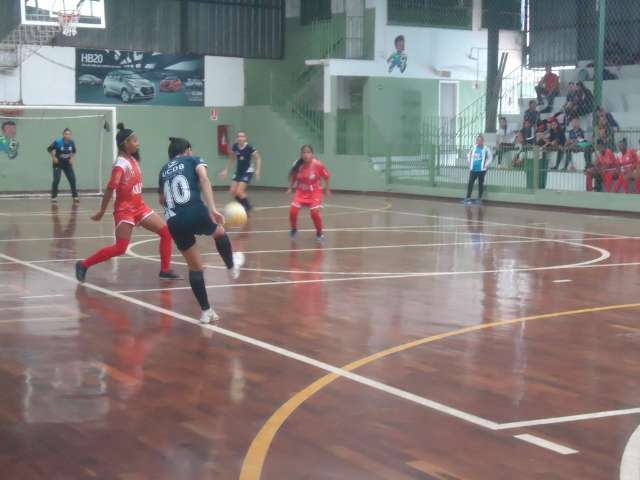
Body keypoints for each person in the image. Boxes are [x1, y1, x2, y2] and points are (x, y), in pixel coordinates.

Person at [75, 123, 179, 282]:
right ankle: (83, 264)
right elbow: (111, 188)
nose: (138, 143)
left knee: (166, 232)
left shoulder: (133, 160)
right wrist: (102, 211)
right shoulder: (120, 164)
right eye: (135, 140)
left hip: (140, 207)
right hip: (125, 210)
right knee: (120, 248)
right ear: (125, 143)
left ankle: (165, 270)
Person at [159, 137, 244, 324]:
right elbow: (204, 179)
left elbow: (162, 200)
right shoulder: (193, 159)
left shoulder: (163, 169)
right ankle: (231, 267)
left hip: (173, 221)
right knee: (220, 232)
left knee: (195, 267)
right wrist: (212, 208)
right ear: (188, 149)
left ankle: (206, 312)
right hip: (194, 210)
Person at [287, 145, 331, 240]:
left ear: (312, 154)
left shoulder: (318, 165)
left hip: (315, 192)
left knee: (314, 212)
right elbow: (293, 177)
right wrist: (290, 188)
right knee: (293, 211)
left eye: (308, 152)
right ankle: (294, 229)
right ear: (301, 154)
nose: (306, 154)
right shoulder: (297, 164)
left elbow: (327, 176)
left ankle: (319, 233)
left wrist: (327, 189)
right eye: (304, 152)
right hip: (301, 192)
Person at [219, 131, 262, 214]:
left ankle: (248, 207)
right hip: (239, 171)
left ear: (245, 138)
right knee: (232, 191)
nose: (240, 138)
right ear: (237, 138)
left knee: (239, 192)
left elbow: (258, 158)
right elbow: (232, 158)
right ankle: (243, 205)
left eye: (242, 136)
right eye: (239, 136)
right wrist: (226, 170)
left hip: (247, 171)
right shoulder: (235, 146)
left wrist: (258, 170)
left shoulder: (249, 147)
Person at [47, 128, 79, 203]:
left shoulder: (72, 142)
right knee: (56, 180)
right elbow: (49, 149)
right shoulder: (58, 142)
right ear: (63, 134)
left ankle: (75, 196)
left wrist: (71, 158)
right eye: (66, 134)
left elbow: (74, 151)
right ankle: (54, 197)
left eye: (69, 134)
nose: (67, 135)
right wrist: (54, 157)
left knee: (72, 179)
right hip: (58, 163)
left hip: (67, 163)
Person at [464, 135, 492, 205]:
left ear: (483, 141)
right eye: (477, 140)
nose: (479, 141)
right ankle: (468, 198)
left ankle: (479, 198)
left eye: (480, 140)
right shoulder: (473, 147)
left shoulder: (486, 149)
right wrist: (469, 162)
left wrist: (486, 165)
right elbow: (468, 155)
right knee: (470, 183)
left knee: (480, 184)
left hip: (481, 170)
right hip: (473, 169)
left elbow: (490, 157)